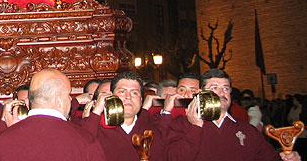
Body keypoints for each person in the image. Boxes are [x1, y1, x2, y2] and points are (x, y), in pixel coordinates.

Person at [166, 68, 301, 160]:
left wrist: (287, 157)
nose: (222, 93)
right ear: (201, 93)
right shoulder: (182, 124)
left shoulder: (246, 129)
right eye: (214, 88)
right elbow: (174, 158)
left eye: (226, 88)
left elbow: (270, 158)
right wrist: (195, 127)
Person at [0, 69, 107, 160]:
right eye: (68, 95)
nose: (70, 100)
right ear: (58, 100)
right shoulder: (83, 139)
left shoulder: (5, 138)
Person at [79, 72, 174, 161]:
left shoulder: (152, 131)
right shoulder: (95, 129)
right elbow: (80, 149)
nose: (128, 97)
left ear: (141, 100)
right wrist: (96, 112)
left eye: (134, 93)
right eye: (122, 92)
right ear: (111, 97)